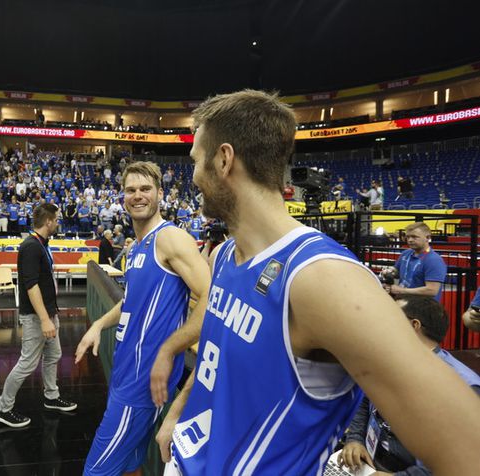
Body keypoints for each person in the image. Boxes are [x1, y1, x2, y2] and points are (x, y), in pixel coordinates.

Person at [152, 90, 480, 475]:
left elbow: (467, 447)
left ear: (224, 160)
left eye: (195, 161)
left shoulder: (322, 277)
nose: (192, 176)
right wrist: (177, 412)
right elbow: (214, 359)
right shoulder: (223, 255)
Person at [75, 161, 210, 476]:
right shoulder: (138, 247)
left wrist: (169, 350)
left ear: (160, 194)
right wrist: (98, 324)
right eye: (131, 190)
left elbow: (212, 298)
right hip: (128, 373)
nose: (137, 196)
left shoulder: (170, 238)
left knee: (95, 471)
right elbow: (130, 303)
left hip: (142, 381)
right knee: (132, 465)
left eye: (145, 189)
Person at [338, 296, 480, 475]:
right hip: (370, 461)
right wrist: (355, 439)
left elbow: (460, 460)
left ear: (414, 326)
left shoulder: (464, 386)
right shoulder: (385, 360)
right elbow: (366, 399)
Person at [0, 203, 77, 428]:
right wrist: (43, 319)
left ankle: (51, 396)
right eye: (56, 219)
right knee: (28, 363)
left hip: (49, 312)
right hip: (36, 316)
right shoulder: (31, 246)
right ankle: (3, 408)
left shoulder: (41, 244)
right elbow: (31, 286)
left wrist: (50, 316)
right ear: (48, 221)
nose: (58, 222)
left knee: (54, 354)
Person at [383, 222, 447, 301]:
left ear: (427, 237)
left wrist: (401, 291)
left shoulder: (434, 260)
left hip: (422, 307)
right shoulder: (405, 254)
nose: (410, 240)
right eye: (408, 237)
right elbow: (397, 271)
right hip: (403, 302)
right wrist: (390, 271)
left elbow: (432, 290)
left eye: (414, 237)